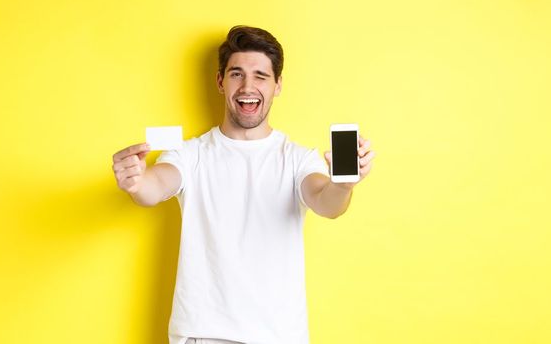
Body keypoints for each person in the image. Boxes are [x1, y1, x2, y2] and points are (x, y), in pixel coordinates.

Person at [111, 25, 375, 344]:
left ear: (277, 85)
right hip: (202, 336)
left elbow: (326, 202)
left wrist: (344, 185)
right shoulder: (189, 154)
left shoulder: (298, 159)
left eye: (261, 76)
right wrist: (136, 182)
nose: (248, 86)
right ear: (221, 82)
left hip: (279, 337)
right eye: (237, 74)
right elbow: (155, 186)